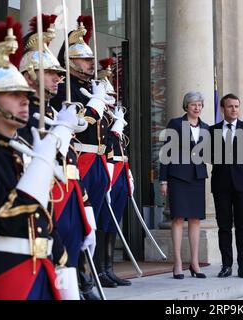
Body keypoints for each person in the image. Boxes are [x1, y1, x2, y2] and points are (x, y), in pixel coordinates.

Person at [0, 17, 77, 300]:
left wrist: (63, 267)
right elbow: (8, 216)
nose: (25, 100)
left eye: (26, 94)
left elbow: (44, 216)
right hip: (5, 275)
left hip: (40, 271)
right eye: (13, 95)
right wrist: (43, 161)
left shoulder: (19, 150)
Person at [18, 13, 95, 275]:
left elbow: (69, 159)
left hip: (67, 193)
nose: (58, 78)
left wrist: (83, 200)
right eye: (50, 73)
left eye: (58, 73)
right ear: (29, 74)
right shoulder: (25, 113)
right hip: (44, 199)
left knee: (68, 264)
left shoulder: (50, 111)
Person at [51, 15, 113, 298]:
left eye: (89, 60)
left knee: (94, 221)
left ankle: (94, 271)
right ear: (71, 62)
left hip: (97, 162)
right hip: (80, 161)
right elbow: (81, 123)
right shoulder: (67, 90)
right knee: (75, 222)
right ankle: (80, 279)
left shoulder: (88, 88)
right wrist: (96, 103)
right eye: (84, 60)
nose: (90, 64)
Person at [210, 93, 243, 279]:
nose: (234, 110)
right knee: (223, 227)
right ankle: (226, 266)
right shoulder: (213, 130)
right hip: (221, 185)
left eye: (237, 106)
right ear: (223, 109)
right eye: (230, 106)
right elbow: (209, 157)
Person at [159, 91, 209, 279]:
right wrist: (163, 180)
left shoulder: (206, 127)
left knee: (196, 220)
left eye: (200, 104)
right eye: (194, 104)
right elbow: (165, 154)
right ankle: (178, 263)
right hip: (178, 177)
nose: (197, 107)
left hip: (197, 177)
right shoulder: (176, 124)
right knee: (178, 219)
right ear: (186, 106)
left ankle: (195, 263)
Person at [96, 58, 132, 286]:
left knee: (114, 222)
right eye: (107, 94)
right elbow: (105, 143)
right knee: (103, 222)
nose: (111, 98)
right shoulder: (99, 114)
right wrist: (115, 130)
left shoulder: (112, 114)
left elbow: (122, 146)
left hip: (119, 169)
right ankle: (99, 269)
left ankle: (109, 267)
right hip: (106, 169)